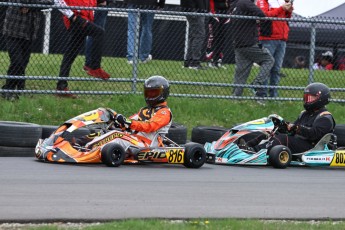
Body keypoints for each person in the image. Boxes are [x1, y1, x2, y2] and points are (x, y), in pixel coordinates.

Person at [77, 76, 172, 150]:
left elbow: (150, 126)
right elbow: (130, 121)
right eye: (148, 93)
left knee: (116, 135)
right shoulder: (145, 110)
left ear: (163, 93)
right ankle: (78, 142)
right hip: (135, 140)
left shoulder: (164, 112)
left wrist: (127, 122)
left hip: (148, 145)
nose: (150, 95)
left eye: (154, 93)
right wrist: (119, 121)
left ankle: (87, 149)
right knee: (107, 131)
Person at [247, 82, 335, 154]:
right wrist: (284, 126)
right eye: (306, 98)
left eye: (311, 98)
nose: (308, 101)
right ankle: (247, 147)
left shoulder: (325, 117)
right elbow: (294, 129)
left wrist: (296, 128)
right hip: (300, 142)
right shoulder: (304, 114)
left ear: (321, 98)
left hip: (312, 147)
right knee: (271, 132)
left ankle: (255, 152)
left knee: (283, 138)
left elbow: (314, 134)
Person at [55, 0, 110, 99]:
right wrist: (72, 16)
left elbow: (88, 2)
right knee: (99, 33)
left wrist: (100, 2)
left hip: (81, 18)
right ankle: (94, 67)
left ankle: (61, 86)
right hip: (77, 19)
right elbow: (57, 1)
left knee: (70, 54)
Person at [1, 0, 53, 101]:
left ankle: (12, 89)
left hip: (30, 32)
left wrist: (29, 6)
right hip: (13, 30)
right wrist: (31, 4)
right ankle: (13, 88)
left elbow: (49, 2)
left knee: (23, 63)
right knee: (17, 62)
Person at [231, 0, 274, 104]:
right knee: (269, 60)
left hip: (238, 43)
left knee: (241, 72)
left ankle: (235, 97)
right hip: (249, 42)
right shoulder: (246, 2)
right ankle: (256, 84)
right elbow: (262, 14)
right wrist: (258, 19)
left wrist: (254, 19)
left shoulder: (235, 4)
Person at [257, 0, 293, 98]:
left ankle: (273, 95)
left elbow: (287, 17)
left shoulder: (282, 1)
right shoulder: (263, 1)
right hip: (268, 38)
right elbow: (264, 15)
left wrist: (289, 10)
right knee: (267, 67)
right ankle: (261, 94)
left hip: (282, 39)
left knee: (276, 69)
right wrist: (282, 8)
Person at [125, 0, 165, 65]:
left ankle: (131, 58)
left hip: (133, 2)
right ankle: (144, 57)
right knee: (147, 28)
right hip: (149, 3)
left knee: (132, 29)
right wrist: (161, 4)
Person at [181, 0, 209, 70]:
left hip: (196, 10)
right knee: (199, 36)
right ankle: (194, 62)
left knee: (193, 36)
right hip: (195, 11)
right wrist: (193, 11)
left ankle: (189, 61)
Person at [84, 0, 110, 72]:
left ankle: (90, 63)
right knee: (95, 34)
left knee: (95, 34)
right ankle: (91, 64)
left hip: (99, 5)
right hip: (99, 5)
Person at [205, 0, 230, 69]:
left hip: (225, 15)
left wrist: (229, 13)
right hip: (215, 15)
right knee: (213, 37)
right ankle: (210, 59)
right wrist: (213, 13)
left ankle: (218, 60)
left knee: (222, 38)